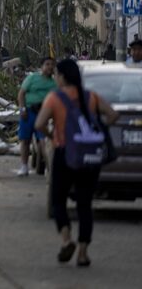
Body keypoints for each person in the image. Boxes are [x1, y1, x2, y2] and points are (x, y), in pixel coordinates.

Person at [35, 59, 118, 267]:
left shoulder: (55, 98)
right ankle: (83, 252)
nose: (55, 77)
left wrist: (53, 135)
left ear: (62, 76)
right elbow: (113, 115)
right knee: (85, 204)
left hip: (64, 153)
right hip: (89, 155)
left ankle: (66, 239)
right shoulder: (91, 97)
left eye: (56, 74)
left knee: (58, 199)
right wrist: (98, 128)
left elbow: (39, 124)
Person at [16, 57, 57, 176]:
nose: (49, 67)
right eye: (47, 64)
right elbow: (21, 94)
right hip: (29, 113)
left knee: (43, 141)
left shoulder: (54, 83)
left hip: (44, 114)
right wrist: (22, 108)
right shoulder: (32, 78)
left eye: (52, 65)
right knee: (25, 140)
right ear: (42, 66)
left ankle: (48, 167)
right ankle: (24, 166)